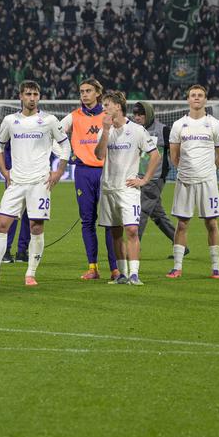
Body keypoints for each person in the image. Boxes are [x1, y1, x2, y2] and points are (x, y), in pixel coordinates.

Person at [0, 80, 70, 287]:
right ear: (21, 96)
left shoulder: (49, 120)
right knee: (1, 225)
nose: (32, 98)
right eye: (28, 94)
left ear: (39, 96)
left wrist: (59, 171)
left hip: (40, 183)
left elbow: (65, 145)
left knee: (36, 227)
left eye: (35, 94)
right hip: (16, 182)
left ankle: (30, 274)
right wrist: (3, 171)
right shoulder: (10, 121)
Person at [93, 91, 160, 286]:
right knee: (115, 232)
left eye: (106, 105)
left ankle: (134, 274)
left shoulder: (137, 130)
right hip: (108, 188)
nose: (103, 108)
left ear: (117, 106)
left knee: (131, 229)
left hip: (128, 189)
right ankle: (122, 274)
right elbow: (99, 155)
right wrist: (105, 131)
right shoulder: (104, 130)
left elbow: (155, 156)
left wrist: (144, 179)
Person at [59, 78, 119, 280]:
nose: (84, 94)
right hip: (83, 172)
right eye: (82, 91)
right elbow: (55, 135)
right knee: (87, 221)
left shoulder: (108, 115)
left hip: (106, 171)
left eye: (88, 91)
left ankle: (115, 268)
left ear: (98, 93)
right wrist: (66, 153)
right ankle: (93, 267)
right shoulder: (73, 116)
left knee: (110, 221)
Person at [167, 84, 219, 279]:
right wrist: (185, 170)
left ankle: (216, 267)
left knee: (211, 223)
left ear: (205, 100)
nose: (196, 98)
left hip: (207, 183)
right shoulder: (178, 125)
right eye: (193, 95)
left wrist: (208, 172)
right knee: (182, 224)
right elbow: (174, 155)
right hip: (184, 180)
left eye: (200, 95)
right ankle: (177, 267)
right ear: (188, 99)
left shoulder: (215, 124)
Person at [130, 101, 179, 249]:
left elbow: (175, 152)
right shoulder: (133, 130)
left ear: (149, 114)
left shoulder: (163, 130)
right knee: (158, 215)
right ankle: (180, 244)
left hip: (155, 178)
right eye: (135, 115)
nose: (137, 118)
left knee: (142, 212)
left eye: (141, 115)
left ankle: (133, 249)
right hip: (138, 177)